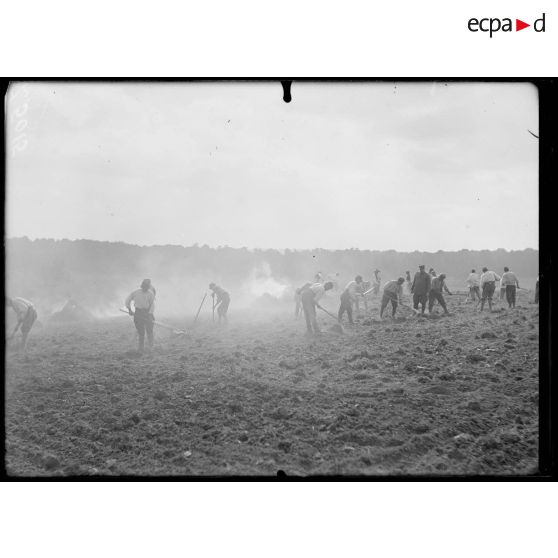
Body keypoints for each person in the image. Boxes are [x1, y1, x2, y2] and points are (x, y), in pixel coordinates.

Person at [125, 279, 156, 351]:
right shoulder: (135, 292)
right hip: (138, 313)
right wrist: (129, 309)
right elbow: (127, 300)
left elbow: (152, 305)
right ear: (142, 286)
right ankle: (141, 348)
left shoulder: (150, 294)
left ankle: (151, 347)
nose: (145, 288)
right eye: (144, 286)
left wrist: (150, 314)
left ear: (148, 287)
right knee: (141, 331)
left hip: (147, 313)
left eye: (146, 287)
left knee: (149, 330)